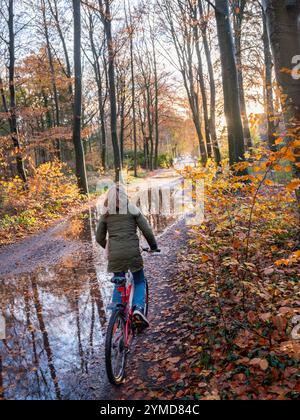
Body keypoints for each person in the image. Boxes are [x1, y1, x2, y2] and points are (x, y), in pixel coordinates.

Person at [96, 184, 159, 329]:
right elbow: (147, 231)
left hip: (115, 256)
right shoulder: (132, 209)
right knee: (139, 281)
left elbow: (99, 238)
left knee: (119, 284)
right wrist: (154, 247)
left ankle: (116, 316)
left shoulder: (106, 214)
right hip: (132, 254)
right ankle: (137, 309)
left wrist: (110, 247)